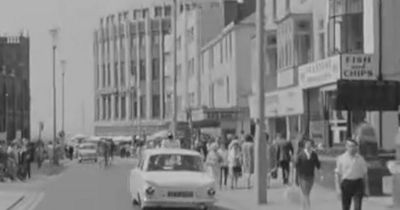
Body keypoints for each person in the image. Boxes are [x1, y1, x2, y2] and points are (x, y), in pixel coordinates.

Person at [335, 139, 369, 210]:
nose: (352, 148)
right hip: (346, 183)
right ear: (346, 147)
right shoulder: (341, 158)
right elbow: (337, 175)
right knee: (346, 206)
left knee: (357, 207)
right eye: (350, 146)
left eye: (354, 146)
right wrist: (338, 188)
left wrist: (366, 188)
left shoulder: (360, 159)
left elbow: (365, 175)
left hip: (358, 183)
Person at [295, 139, 321, 210]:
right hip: (302, 176)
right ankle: (308, 208)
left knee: (306, 193)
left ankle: (303, 207)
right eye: (307, 144)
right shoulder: (301, 154)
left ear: (311, 145)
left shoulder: (314, 154)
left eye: (309, 144)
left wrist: (320, 172)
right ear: (304, 145)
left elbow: (318, 164)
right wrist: (296, 178)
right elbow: (296, 166)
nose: (308, 145)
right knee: (305, 193)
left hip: (311, 176)